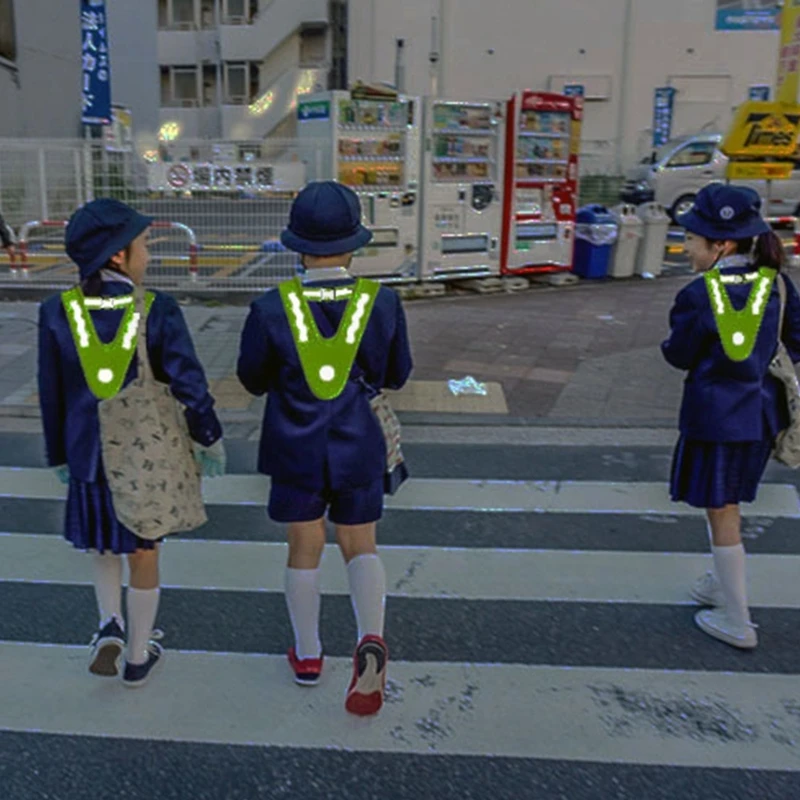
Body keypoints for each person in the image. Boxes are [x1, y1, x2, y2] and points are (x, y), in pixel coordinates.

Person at [237, 181, 413, 715]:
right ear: (354, 244)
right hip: (359, 441)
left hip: (295, 445)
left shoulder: (271, 307)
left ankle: (309, 654)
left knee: (305, 545)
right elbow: (397, 374)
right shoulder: (381, 302)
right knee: (361, 542)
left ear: (296, 244)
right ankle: (370, 637)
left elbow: (251, 378)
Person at [38, 199, 226, 686]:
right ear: (118, 256)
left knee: (102, 547)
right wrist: (208, 435)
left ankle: (108, 627)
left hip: (87, 456)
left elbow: (51, 391)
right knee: (144, 553)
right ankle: (139, 654)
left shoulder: (56, 311)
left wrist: (59, 455)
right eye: (142, 245)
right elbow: (189, 382)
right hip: (144, 460)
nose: (148, 254)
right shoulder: (157, 308)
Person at [662, 183, 800, 649]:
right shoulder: (778, 283)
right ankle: (721, 582)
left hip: (714, 418)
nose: (687, 247)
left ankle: (737, 619)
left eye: (694, 239)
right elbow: (796, 341)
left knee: (722, 511)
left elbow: (679, 354)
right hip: (760, 417)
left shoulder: (698, 294)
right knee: (726, 504)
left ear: (721, 245)